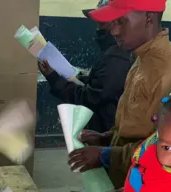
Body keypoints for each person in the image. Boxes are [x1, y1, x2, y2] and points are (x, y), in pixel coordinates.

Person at [67, 0, 171, 188]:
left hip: (143, 188)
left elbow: (163, 148)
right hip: (124, 179)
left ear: (148, 18)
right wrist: (108, 138)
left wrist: (106, 155)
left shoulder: (169, 73)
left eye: (121, 22)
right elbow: (138, 126)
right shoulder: (141, 59)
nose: (113, 31)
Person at [38, 0, 132, 134]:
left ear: (116, 23)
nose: (98, 28)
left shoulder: (116, 57)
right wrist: (77, 78)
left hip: (105, 133)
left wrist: (54, 79)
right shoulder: (112, 53)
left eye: (102, 23)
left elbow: (91, 98)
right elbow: (102, 84)